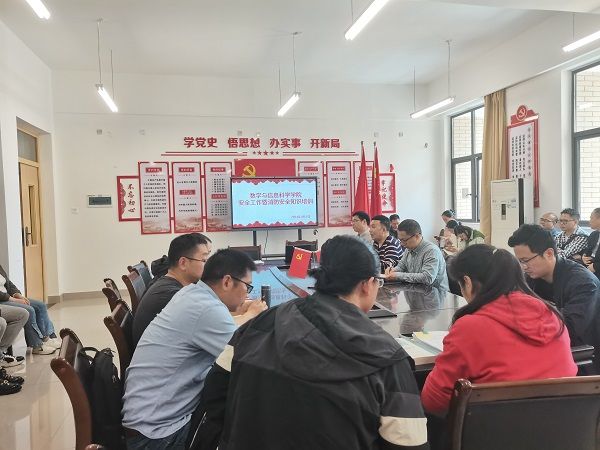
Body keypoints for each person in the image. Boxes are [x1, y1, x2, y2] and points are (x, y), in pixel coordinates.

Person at [195, 236, 429, 450]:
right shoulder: (387, 357)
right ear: (367, 284)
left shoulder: (258, 325)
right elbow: (409, 444)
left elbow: (215, 393)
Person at [122, 249, 267, 449]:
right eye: (247, 286)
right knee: (250, 417)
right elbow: (248, 356)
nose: (247, 293)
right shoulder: (208, 309)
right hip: (159, 436)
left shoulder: (192, 293)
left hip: (147, 419)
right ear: (227, 281)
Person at [422, 244, 577, 416]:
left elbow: (434, 401)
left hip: (498, 429)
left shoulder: (471, 327)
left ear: (467, 282)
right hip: (564, 424)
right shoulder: (552, 315)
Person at [508, 224, 600, 348]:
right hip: (547, 343)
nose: (523, 267)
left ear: (549, 253)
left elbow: (570, 329)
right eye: (519, 261)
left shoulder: (583, 283)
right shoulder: (530, 278)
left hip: (580, 351)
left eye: (526, 260)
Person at [132, 233, 212, 347]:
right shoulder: (171, 295)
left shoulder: (168, 285)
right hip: (160, 356)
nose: (209, 266)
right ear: (183, 263)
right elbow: (210, 327)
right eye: (204, 260)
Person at [0, 264, 60, 355]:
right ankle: (37, 346)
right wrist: (12, 299)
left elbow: (8, 282)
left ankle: (46, 338)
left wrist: (17, 294)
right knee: (29, 310)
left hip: (9, 297)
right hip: (3, 300)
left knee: (40, 305)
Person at [385, 219, 449, 290]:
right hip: (416, 291)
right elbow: (401, 266)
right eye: (400, 240)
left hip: (435, 293)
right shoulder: (408, 248)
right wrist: (393, 270)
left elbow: (427, 278)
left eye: (404, 240)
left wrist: (398, 276)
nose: (402, 244)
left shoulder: (431, 250)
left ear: (417, 236)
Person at [583, 207, 600, 280]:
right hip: (589, 264)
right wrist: (583, 256)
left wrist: (595, 267)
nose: (589, 221)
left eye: (591, 218)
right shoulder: (594, 234)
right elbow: (587, 249)